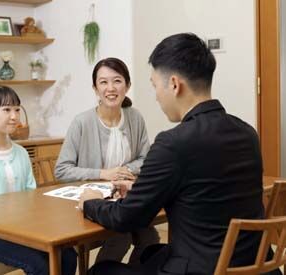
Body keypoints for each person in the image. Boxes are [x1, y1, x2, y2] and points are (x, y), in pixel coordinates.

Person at [79, 33, 282, 275]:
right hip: (252, 266)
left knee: (100, 271)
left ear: (174, 84)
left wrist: (91, 202)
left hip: (204, 269)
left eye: (155, 86)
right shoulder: (247, 133)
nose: (156, 96)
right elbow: (206, 191)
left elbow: (126, 218)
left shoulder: (173, 143)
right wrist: (143, 190)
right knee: (150, 253)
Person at [0, 85, 77, 275]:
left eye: (16, 109)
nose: (14, 116)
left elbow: (31, 198)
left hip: (23, 230)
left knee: (68, 255)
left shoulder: (21, 153)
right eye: (6, 109)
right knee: (40, 265)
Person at [55, 57, 160, 265]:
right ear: (95, 88)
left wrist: (124, 170)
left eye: (117, 81)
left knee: (151, 239)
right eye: (103, 82)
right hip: (90, 202)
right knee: (120, 235)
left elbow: (146, 159)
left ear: (127, 85)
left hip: (125, 199)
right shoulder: (82, 122)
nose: (110, 88)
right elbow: (62, 170)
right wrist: (103, 174)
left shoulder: (135, 117)